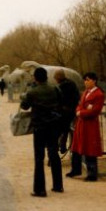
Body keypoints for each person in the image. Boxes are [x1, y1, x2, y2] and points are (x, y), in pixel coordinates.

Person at [20, 66, 63, 197]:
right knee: (54, 153)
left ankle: (40, 189)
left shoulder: (33, 92)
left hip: (39, 126)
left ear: (35, 78)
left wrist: (26, 94)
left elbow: (24, 106)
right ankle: (58, 185)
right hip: (54, 125)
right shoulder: (55, 89)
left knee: (39, 157)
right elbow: (60, 102)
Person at [69, 71, 105, 181]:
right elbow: (80, 106)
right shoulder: (86, 92)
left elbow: (95, 110)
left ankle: (92, 173)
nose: (86, 82)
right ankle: (76, 169)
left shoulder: (99, 94)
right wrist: (81, 111)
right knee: (76, 147)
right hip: (82, 123)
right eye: (85, 80)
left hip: (90, 125)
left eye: (88, 80)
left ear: (94, 81)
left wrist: (81, 112)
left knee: (90, 149)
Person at [53, 69, 80, 157]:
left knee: (58, 131)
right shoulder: (72, 84)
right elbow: (77, 97)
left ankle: (56, 149)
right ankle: (63, 146)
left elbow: (57, 100)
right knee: (66, 129)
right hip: (71, 111)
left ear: (58, 78)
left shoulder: (60, 87)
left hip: (62, 112)